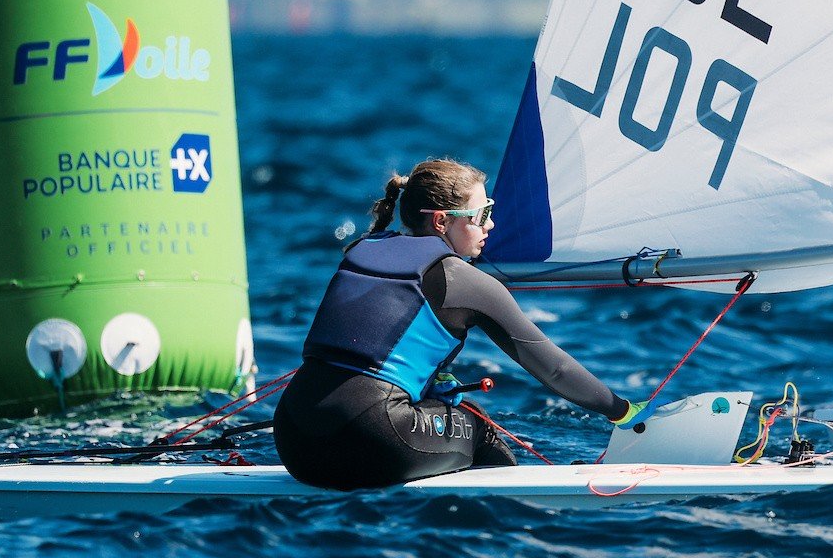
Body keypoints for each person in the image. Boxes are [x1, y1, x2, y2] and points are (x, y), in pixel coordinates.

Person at [273, 158, 656, 490]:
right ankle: (515, 524)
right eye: (482, 215)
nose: (492, 224)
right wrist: (623, 412)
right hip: (373, 437)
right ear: (441, 221)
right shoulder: (465, 281)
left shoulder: (363, 249)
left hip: (292, 437)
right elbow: (554, 368)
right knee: (476, 423)